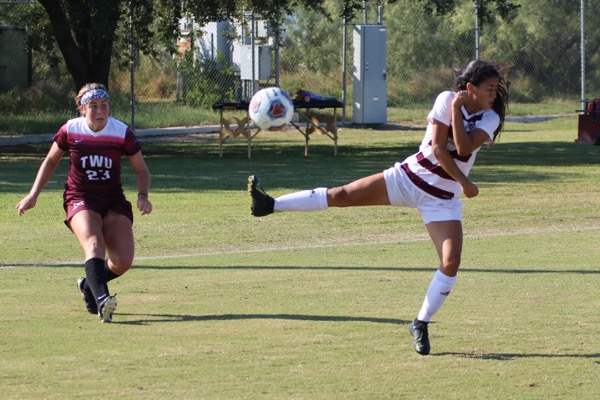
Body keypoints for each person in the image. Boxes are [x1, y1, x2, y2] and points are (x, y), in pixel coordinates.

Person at [248, 60, 509, 355]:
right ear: (470, 88)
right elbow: (438, 149)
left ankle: (420, 323)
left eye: (496, 88)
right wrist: (465, 181)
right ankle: (269, 205)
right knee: (341, 195)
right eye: (489, 88)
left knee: (451, 262)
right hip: (408, 178)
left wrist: (459, 179)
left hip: (441, 199)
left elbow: (462, 148)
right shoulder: (446, 99)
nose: (494, 94)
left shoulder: (490, 118)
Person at [16, 83, 152, 323]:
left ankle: (89, 286)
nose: (100, 111)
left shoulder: (121, 132)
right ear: (81, 108)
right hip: (80, 196)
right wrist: (33, 194)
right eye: (93, 106)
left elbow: (142, 170)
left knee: (123, 261)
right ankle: (102, 301)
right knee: (94, 243)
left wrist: (143, 196)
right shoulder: (71, 130)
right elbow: (50, 161)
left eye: (105, 105)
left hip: (112, 199)